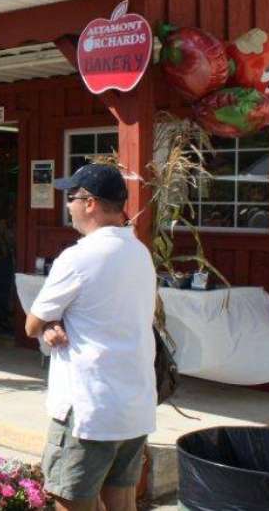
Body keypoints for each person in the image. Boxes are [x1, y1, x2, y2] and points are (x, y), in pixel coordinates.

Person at [23, 164, 156, 511]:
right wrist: (57, 322)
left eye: (72, 197)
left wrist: (50, 323)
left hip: (89, 406)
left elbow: (32, 323)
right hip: (134, 401)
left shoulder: (78, 257)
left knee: (69, 498)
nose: (68, 205)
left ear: (90, 203)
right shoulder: (139, 252)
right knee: (123, 498)